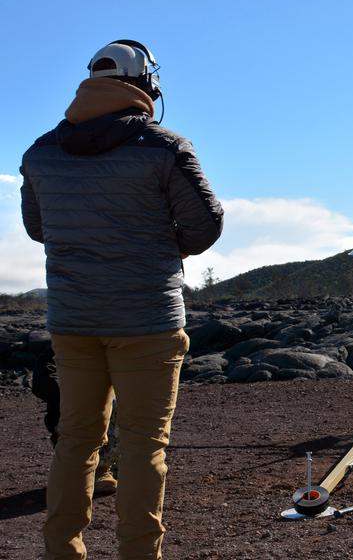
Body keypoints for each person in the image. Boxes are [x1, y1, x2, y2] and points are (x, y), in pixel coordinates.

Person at [20, 39, 223, 558]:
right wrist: (157, 245)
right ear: (146, 84)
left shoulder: (40, 152)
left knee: (76, 439)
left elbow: (38, 229)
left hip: (73, 319)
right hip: (147, 319)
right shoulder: (165, 147)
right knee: (143, 447)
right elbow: (205, 224)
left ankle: (61, 550)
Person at [31, 348, 119, 496]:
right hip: (78, 415)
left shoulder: (118, 342)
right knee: (107, 403)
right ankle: (95, 470)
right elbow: (42, 381)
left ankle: (115, 465)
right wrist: (77, 396)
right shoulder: (70, 339)